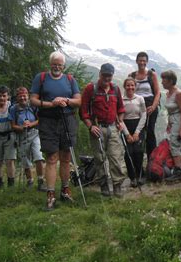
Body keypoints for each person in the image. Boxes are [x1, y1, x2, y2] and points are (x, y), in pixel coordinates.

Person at [30, 51, 81, 210]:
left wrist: (66, 100)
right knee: (52, 158)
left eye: (59, 64)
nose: (57, 67)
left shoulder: (70, 79)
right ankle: (50, 195)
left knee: (66, 157)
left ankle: (65, 190)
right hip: (48, 121)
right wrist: (51, 104)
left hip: (68, 120)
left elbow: (78, 100)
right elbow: (33, 99)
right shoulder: (41, 78)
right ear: (50, 64)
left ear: (63, 66)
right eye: (54, 64)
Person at [81, 63, 126, 197]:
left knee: (115, 157)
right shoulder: (91, 89)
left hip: (113, 127)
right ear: (100, 74)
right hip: (97, 127)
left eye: (109, 76)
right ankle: (104, 186)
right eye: (105, 75)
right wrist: (90, 126)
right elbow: (83, 112)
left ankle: (117, 186)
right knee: (99, 159)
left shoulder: (116, 89)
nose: (107, 78)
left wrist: (121, 121)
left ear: (112, 75)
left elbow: (121, 109)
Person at [161, 70, 181, 182]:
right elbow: (171, 110)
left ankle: (178, 171)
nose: (162, 82)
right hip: (173, 120)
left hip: (178, 120)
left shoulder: (178, 93)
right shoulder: (168, 93)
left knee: (174, 144)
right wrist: (169, 123)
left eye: (164, 80)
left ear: (170, 81)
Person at [10, 87, 45, 191]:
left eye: (24, 95)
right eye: (20, 96)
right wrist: (21, 127)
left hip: (34, 133)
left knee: (38, 156)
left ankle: (41, 181)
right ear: (17, 97)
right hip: (21, 136)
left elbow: (39, 120)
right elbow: (12, 125)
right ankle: (30, 181)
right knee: (25, 160)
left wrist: (30, 124)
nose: (22, 97)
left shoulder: (33, 106)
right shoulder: (13, 109)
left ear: (28, 96)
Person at [129, 52, 161, 159]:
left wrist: (153, 106)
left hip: (150, 106)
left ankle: (152, 161)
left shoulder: (152, 75)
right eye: (140, 60)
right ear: (136, 61)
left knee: (150, 132)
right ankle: (138, 161)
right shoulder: (132, 76)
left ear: (147, 62)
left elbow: (157, 93)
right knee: (138, 132)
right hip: (137, 107)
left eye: (144, 60)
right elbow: (129, 92)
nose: (142, 62)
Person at [121, 77, 147, 187]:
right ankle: (132, 178)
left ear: (135, 86)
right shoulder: (121, 100)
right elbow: (120, 119)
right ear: (124, 86)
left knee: (138, 151)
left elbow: (144, 114)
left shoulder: (140, 99)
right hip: (126, 126)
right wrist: (127, 134)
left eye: (132, 85)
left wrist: (137, 132)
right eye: (128, 85)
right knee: (128, 153)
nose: (130, 87)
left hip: (138, 126)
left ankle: (140, 175)